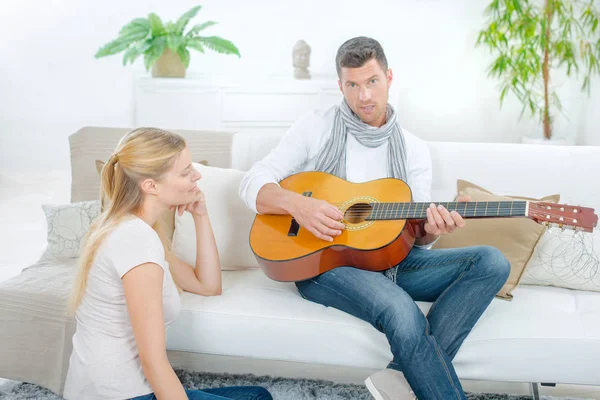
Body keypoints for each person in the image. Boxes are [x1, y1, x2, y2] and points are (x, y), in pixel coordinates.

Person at [239, 37, 510, 400]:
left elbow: (417, 234)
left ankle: (400, 378)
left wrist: (432, 229)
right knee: (399, 308)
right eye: (352, 85)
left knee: (491, 262)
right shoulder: (315, 126)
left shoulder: (413, 149)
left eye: (372, 82)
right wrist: (298, 206)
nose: (363, 96)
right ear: (340, 85)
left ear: (389, 77)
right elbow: (251, 181)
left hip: (395, 259)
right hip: (326, 263)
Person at [63, 128, 273, 400]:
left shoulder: (126, 228)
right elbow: (153, 361)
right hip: (119, 395)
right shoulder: (137, 242)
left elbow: (207, 286)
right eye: (186, 172)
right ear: (150, 186)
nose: (197, 175)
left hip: (97, 390)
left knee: (255, 394)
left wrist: (201, 215)